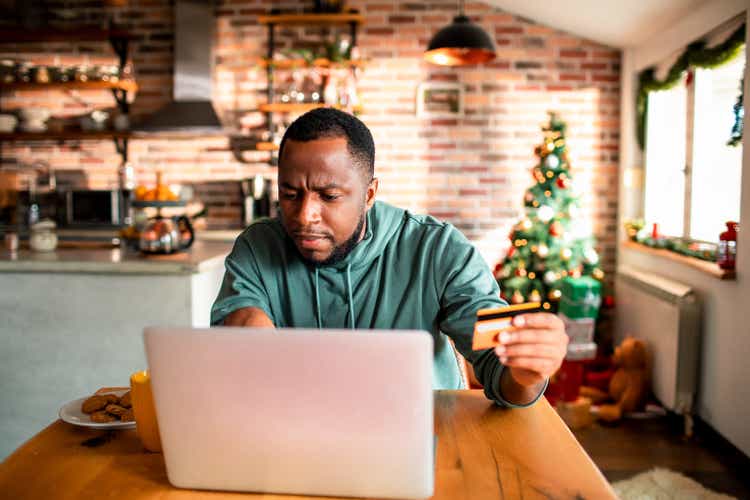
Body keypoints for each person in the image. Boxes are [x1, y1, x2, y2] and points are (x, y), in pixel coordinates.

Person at [211, 108, 568, 407]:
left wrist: (527, 372)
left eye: (329, 196)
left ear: (369, 194)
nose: (305, 215)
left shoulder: (439, 249)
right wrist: (244, 329)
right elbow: (237, 327)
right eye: (290, 194)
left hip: (425, 435)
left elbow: (499, 365)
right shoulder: (257, 247)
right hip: (295, 433)